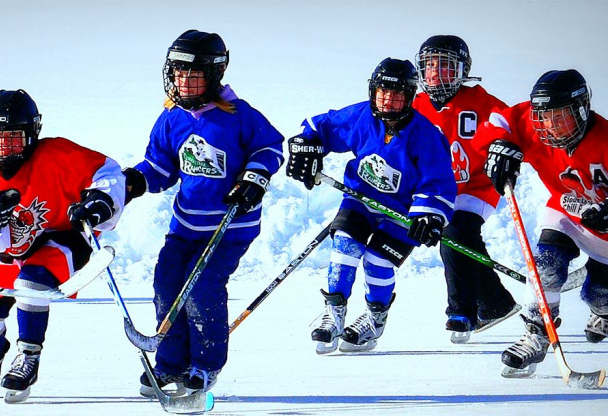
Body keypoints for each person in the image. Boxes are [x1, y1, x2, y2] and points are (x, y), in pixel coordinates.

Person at [123, 30, 283, 396]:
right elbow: (160, 167)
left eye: (193, 75)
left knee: (202, 287)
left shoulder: (240, 115)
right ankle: (170, 364)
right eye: (179, 73)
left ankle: (205, 365)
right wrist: (134, 180)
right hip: (185, 225)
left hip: (231, 226)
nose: (184, 82)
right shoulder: (171, 117)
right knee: (167, 285)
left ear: (215, 74)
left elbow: (270, 148)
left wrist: (254, 178)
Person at [476, 69, 608, 373]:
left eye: (560, 117)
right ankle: (536, 334)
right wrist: (499, 145)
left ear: (581, 110)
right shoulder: (534, 123)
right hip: (565, 208)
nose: (550, 126)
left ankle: (604, 311)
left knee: (603, 297)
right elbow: (500, 121)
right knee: (546, 265)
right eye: (544, 117)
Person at [0, 89, 125, 402]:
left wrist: (100, 201)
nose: (4, 145)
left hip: (66, 239)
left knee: (31, 283)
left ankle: (28, 357)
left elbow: (107, 171)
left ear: (31, 134)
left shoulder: (58, 154)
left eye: (13, 137)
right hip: (18, 249)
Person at [287, 58, 457, 354]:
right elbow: (321, 126)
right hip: (361, 200)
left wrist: (429, 215)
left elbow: (438, 181)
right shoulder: (361, 116)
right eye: (382, 92)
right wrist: (307, 145)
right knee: (344, 246)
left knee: (378, 260)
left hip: (403, 212)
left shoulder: (427, 135)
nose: (388, 100)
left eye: (396, 93)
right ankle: (333, 314)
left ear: (410, 96)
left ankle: (375, 318)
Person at [411, 35, 520, 342]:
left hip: (476, 186)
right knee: (461, 240)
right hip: (437, 191)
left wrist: (506, 148)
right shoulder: (414, 106)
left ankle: (462, 313)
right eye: (430, 65)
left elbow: (512, 126)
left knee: (456, 233)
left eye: (445, 65)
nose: (436, 72)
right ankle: (496, 303)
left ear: (462, 70)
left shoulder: (481, 103)